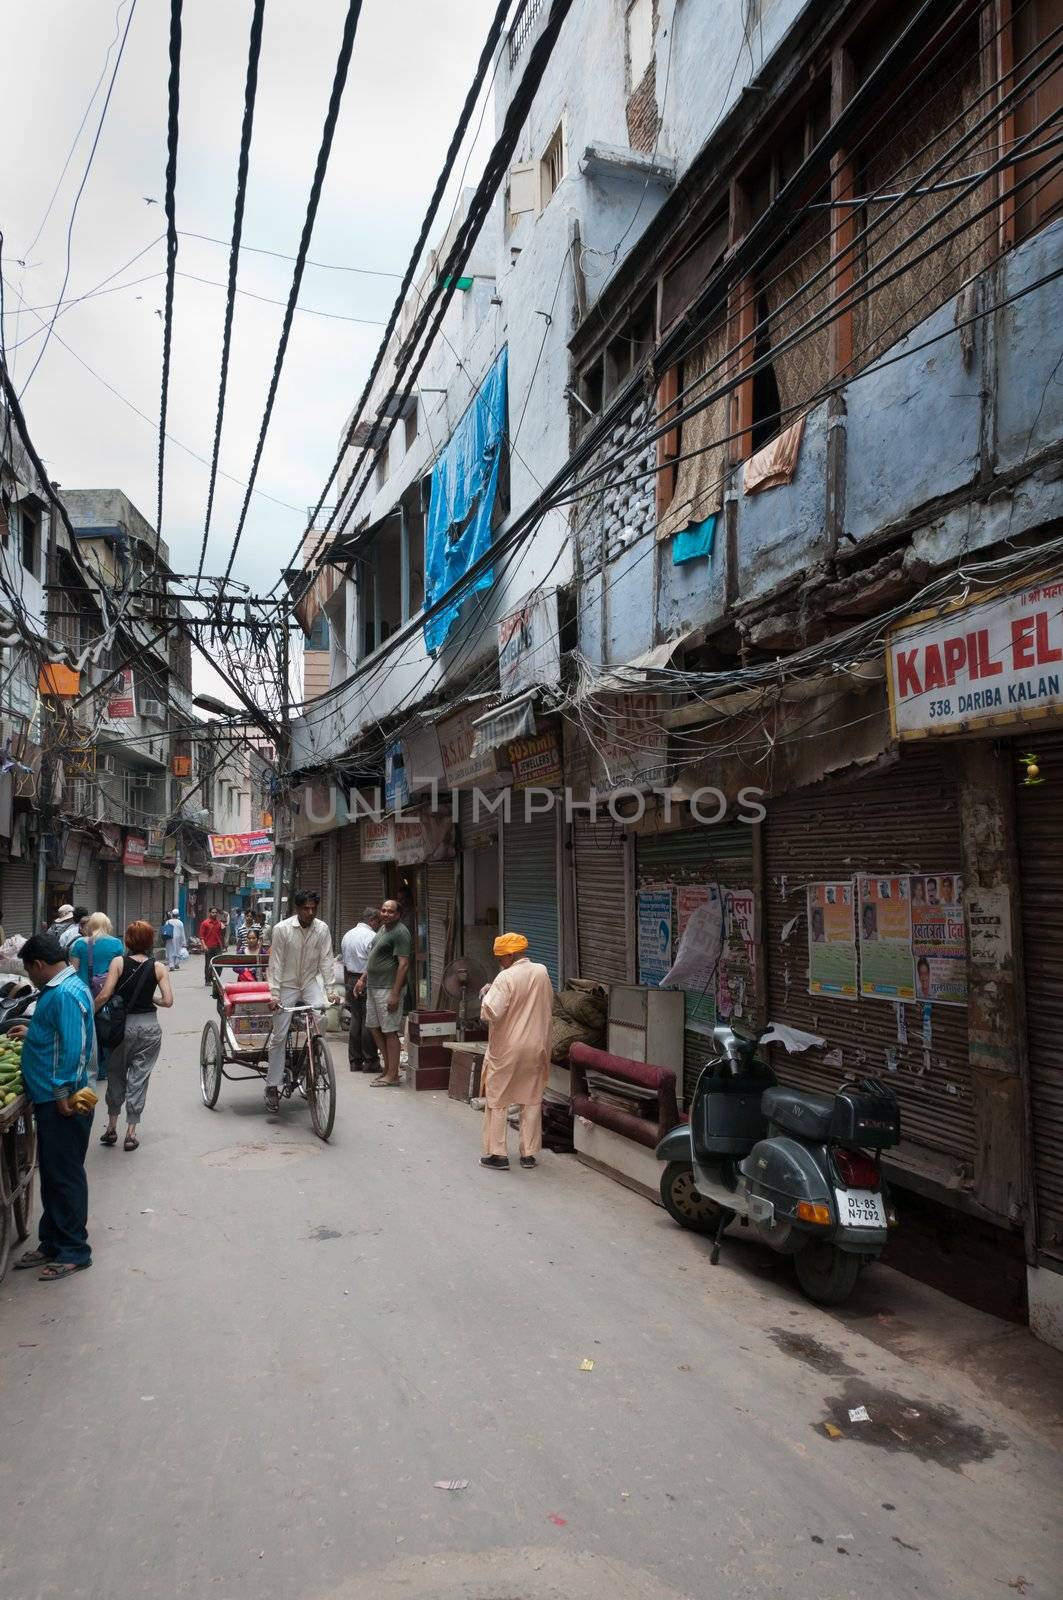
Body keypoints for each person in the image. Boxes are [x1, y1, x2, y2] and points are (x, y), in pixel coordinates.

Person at [9, 933, 96, 1280]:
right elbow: (61, 1035)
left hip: (62, 1101)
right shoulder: (63, 988)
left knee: (66, 1177)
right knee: (54, 1176)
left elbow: (75, 1048)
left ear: (39, 965)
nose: (29, 977)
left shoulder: (64, 993)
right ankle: (52, 1241)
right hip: (49, 1098)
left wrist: (61, 1092)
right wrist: (34, 1031)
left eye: (29, 971)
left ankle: (75, 1250)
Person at [93, 920, 173, 1151]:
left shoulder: (118, 962)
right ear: (150, 942)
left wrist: (87, 1015)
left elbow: (105, 995)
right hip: (149, 1029)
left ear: (127, 940)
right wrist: (152, 999)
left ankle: (111, 1128)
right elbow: (168, 1001)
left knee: (116, 1074)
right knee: (139, 1078)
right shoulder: (158, 967)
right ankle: (131, 1132)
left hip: (121, 1028)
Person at [478, 932, 553, 1171]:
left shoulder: (505, 977)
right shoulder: (542, 971)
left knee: (497, 1099)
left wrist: (485, 994)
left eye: (501, 958)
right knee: (531, 1099)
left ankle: (498, 1154)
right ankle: (528, 1154)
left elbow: (491, 1012)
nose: (500, 962)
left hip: (508, 1048)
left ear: (510, 955)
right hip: (537, 1045)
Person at [264, 890, 336, 1113]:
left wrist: (331, 990)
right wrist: (274, 995)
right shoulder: (282, 929)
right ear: (297, 909)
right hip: (286, 984)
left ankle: (313, 1055)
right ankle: (272, 1085)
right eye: (306, 908)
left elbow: (326, 960)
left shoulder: (322, 929)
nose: (310, 912)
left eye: (314, 908)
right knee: (279, 1035)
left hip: (309, 982)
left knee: (321, 1015)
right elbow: (275, 963)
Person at [354, 898, 410, 1087]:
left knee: (389, 1030)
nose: (386, 914)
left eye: (390, 911)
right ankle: (388, 1069)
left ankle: (393, 1074)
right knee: (373, 1026)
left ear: (398, 914)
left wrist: (395, 993)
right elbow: (374, 956)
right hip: (373, 987)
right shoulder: (382, 929)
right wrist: (362, 979)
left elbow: (403, 964)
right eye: (384, 910)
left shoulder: (401, 932)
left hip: (388, 988)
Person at [69, 912, 124, 1082]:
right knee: (107, 1030)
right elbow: (120, 970)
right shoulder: (116, 944)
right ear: (108, 925)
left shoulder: (78, 944)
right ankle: (104, 1069)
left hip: (84, 994)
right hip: (108, 993)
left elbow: (73, 971)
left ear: (89, 926)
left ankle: (89, 1066)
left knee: (88, 1031)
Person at [341, 906, 381, 1073]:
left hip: (350, 978)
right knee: (367, 1020)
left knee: (356, 1019)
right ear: (372, 920)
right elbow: (372, 964)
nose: (379, 924)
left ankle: (355, 1061)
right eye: (378, 921)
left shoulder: (347, 935)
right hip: (364, 979)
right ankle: (370, 1060)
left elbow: (344, 962)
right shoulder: (372, 936)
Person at [199, 906, 225, 987]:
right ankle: (207, 980)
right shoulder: (205, 923)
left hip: (217, 947)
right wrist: (204, 945)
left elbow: (222, 935)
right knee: (208, 964)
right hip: (208, 947)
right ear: (209, 913)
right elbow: (201, 936)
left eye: (215, 912)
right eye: (212, 912)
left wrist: (224, 929)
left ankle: (216, 979)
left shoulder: (219, 923)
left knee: (219, 963)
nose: (214, 914)